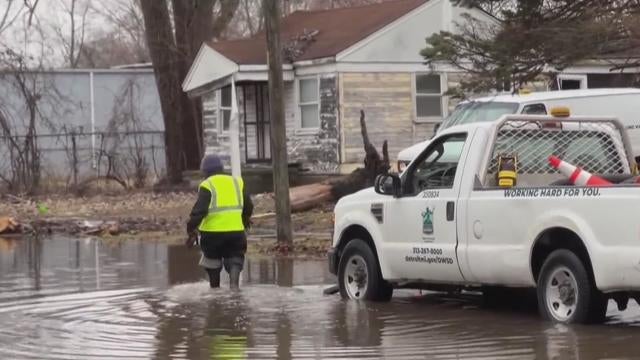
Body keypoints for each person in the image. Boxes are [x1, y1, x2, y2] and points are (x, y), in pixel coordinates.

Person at [186, 154, 253, 289]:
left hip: (212, 235)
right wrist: (245, 222)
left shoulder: (207, 185)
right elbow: (249, 206)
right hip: (236, 233)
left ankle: (215, 291)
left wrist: (190, 229)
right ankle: (234, 286)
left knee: (212, 263)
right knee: (235, 259)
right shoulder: (237, 182)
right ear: (221, 168)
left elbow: (199, 211)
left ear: (205, 171)